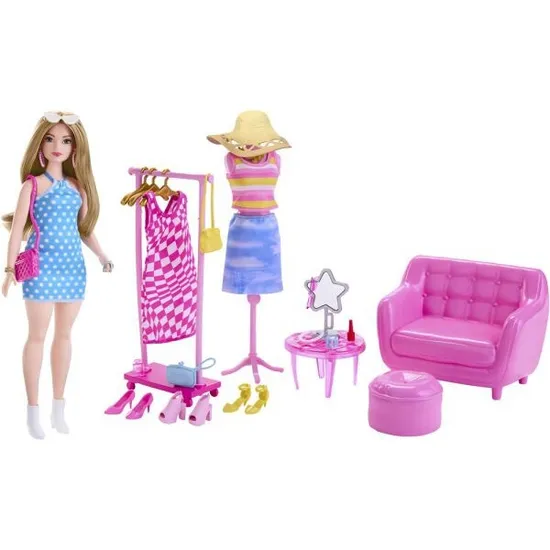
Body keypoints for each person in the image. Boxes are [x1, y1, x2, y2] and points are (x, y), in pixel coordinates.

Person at [1, 111, 113, 439]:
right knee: (37, 336)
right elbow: (15, 233)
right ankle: (32, 412)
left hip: (72, 268)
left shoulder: (78, 187)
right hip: (41, 268)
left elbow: (84, 230)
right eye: (50, 139)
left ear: (75, 147)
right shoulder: (32, 186)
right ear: (40, 144)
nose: (57, 146)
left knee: (64, 336)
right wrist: (9, 269)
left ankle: (58, 409)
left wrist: (102, 254)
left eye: (65, 141)